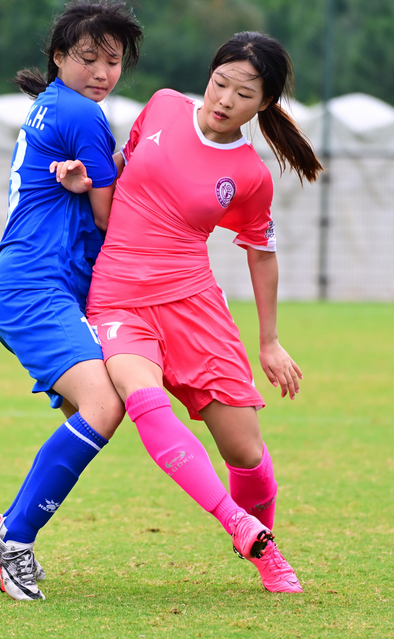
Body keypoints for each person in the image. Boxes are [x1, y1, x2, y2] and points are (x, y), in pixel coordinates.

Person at [54, 31, 322, 593]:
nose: (225, 99)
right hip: (119, 297)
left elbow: (261, 255)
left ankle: (258, 538)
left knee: (245, 452)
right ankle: (244, 531)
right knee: (143, 400)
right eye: (221, 82)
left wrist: (269, 341)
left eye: (244, 93)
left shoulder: (249, 175)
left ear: (264, 105)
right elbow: (120, 169)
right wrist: (83, 182)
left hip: (195, 306)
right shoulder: (163, 106)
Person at [0, 0, 143, 601]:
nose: (102, 73)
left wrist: (98, 178)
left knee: (88, 415)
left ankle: (5, 529)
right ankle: (14, 539)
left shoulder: (53, 105)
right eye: (88, 58)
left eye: (114, 62)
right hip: (34, 285)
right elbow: (109, 212)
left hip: (33, 284)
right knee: (104, 406)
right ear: (58, 58)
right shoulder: (84, 115)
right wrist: (126, 175)